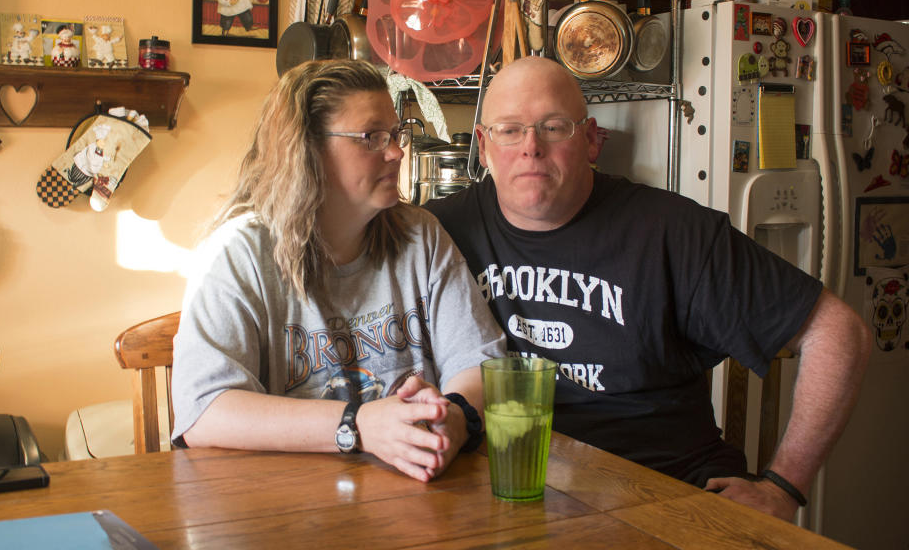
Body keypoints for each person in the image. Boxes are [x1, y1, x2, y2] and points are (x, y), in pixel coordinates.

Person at [424, 56, 871, 520]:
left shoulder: (672, 232)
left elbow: (839, 333)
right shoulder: (436, 233)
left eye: (554, 127)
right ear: (483, 144)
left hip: (662, 494)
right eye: (509, 129)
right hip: (506, 490)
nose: (530, 147)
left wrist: (782, 487)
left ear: (592, 140)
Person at [171, 59, 505, 482]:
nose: (397, 151)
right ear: (308, 150)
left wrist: (455, 417)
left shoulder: (421, 236)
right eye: (372, 137)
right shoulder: (238, 254)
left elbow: (481, 363)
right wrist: (358, 425)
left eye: (397, 133)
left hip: (415, 501)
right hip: (285, 510)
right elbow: (204, 412)